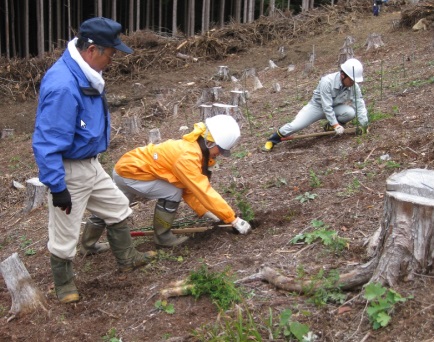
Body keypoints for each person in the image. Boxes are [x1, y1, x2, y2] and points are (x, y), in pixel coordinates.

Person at [32, 17, 156, 304]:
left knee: (118, 208)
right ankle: (64, 286)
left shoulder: (83, 73)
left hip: (90, 163)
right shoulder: (64, 85)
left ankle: (127, 258)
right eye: (110, 54)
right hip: (69, 170)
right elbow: (47, 141)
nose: (111, 60)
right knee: (64, 236)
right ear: (92, 50)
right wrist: (57, 186)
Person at [112, 114, 252, 248]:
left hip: (126, 167)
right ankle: (163, 238)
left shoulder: (193, 150)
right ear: (209, 142)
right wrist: (232, 219)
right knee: (173, 192)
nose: (220, 154)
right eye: (220, 149)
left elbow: (189, 189)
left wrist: (205, 211)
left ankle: (90, 244)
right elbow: (202, 190)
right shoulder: (188, 158)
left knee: (111, 209)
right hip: (132, 173)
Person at [262, 58, 369, 152]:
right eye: (351, 80)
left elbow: (359, 104)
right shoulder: (327, 82)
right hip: (316, 107)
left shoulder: (353, 86)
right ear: (343, 75)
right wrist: (336, 124)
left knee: (350, 113)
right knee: (295, 126)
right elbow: (326, 107)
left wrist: (364, 124)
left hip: (334, 107)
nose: (353, 83)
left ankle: (329, 127)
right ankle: (272, 141)